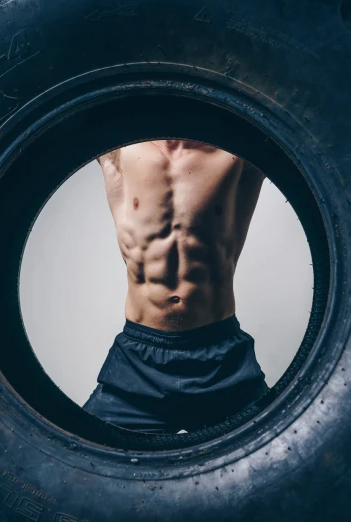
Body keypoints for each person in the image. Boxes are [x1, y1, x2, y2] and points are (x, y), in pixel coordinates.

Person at [82, 140, 269, 433]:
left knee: (284, 464)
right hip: (138, 363)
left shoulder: (237, 150)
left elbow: (302, 118)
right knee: (82, 464)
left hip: (221, 363)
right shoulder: (118, 149)